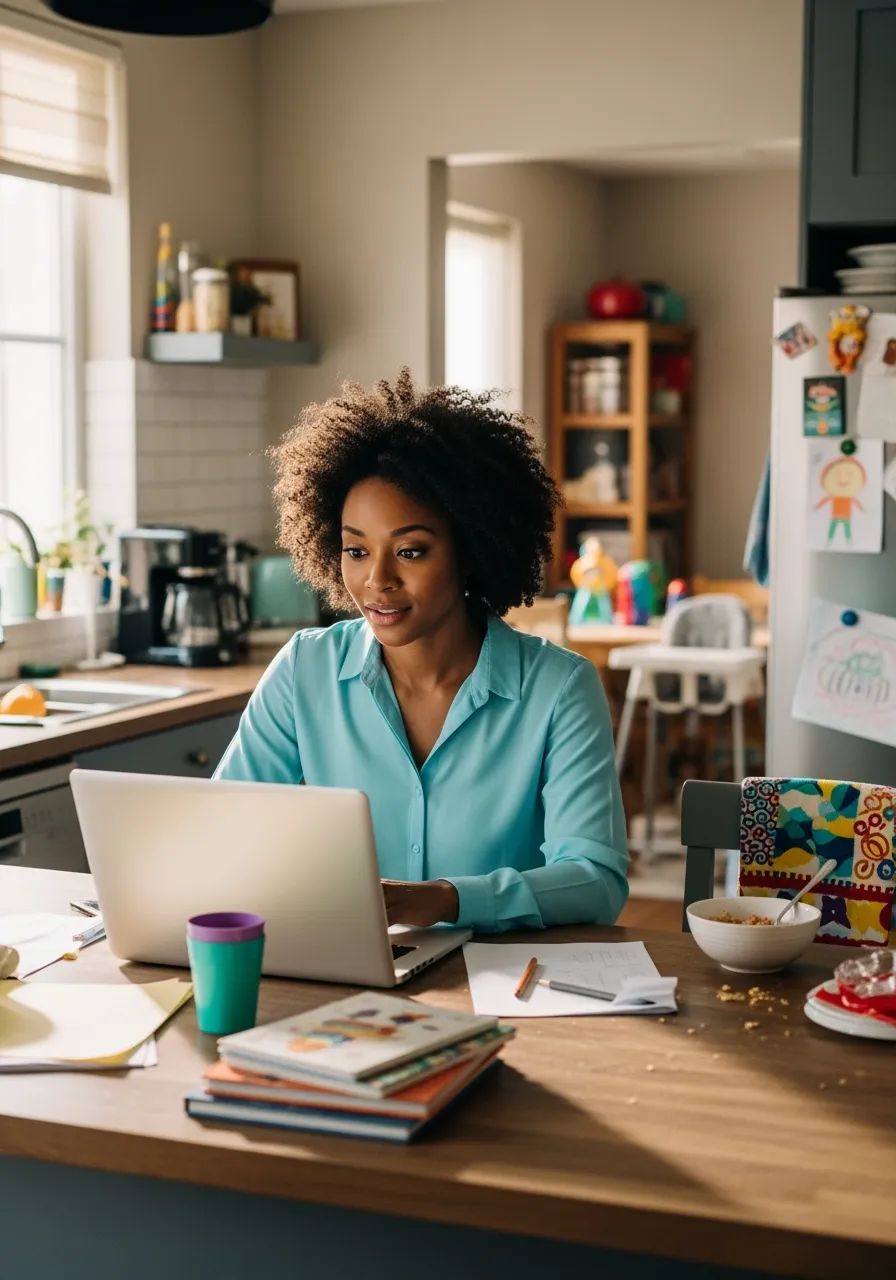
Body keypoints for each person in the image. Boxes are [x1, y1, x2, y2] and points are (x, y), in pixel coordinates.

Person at [216, 371, 629, 932]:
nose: (376, 580)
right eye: (356, 550)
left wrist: (446, 899)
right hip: (346, 976)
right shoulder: (302, 670)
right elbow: (222, 828)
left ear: (471, 551)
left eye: (410, 551)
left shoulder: (558, 689)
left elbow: (595, 879)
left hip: (506, 987)